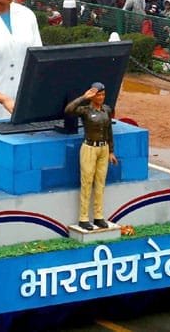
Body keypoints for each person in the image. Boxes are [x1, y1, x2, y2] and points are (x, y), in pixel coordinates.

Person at [64, 82, 118, 230]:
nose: (101, 97)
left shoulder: (106, 110)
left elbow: (109, 131)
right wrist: (83, 97)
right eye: (98, 95)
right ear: (92, 95)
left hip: (103, 148)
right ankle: (83, 217)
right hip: (89, 148)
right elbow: (68, 110)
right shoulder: (85, 110)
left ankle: (98, 216)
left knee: (100, 183)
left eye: (103, 95)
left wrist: (111, 151)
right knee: (87, 182)